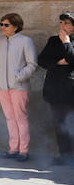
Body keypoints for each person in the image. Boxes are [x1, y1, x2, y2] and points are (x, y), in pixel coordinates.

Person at [0, 13, 37, 162]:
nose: (2, 27)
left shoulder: (26, 42)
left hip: (19, 87)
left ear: (15, 27)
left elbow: (32, 64)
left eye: (6, 25)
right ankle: (13, 148)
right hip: (2, 86)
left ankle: (24, 151)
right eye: (1, 24)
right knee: (10, 118)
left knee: (20, 118)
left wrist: (19, 77)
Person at [37, 11, 74, 166]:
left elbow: (72, 59)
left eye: (66, 23)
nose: (62, 26)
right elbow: (42, 60)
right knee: (59, 124)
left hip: (71, 91)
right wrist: (59, 63)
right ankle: (64, 155)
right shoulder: (53, 41)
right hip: (55, 91)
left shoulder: (67, 41)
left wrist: (66, 43)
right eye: (61, 22)